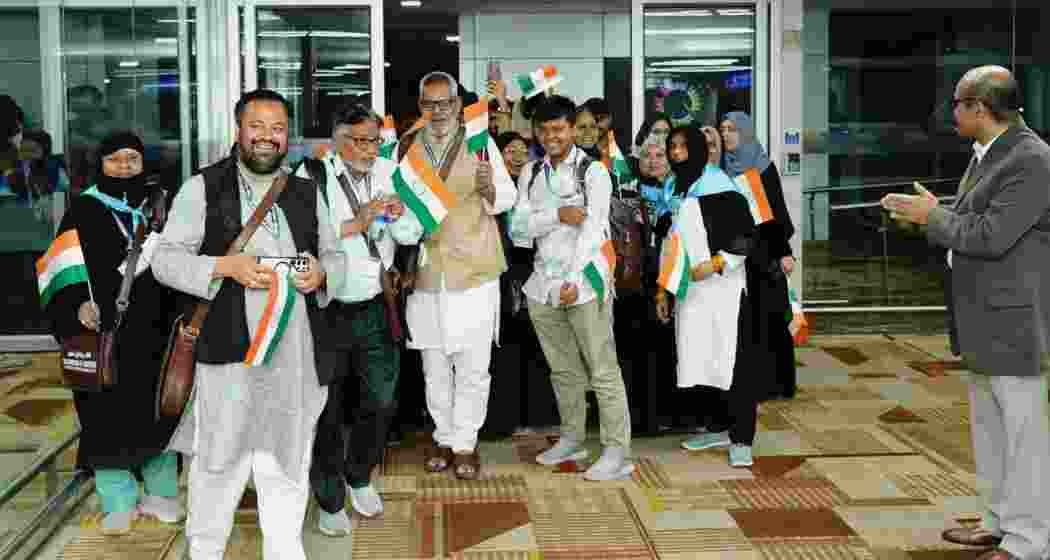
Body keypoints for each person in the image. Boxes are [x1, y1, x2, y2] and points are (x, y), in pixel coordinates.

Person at [153, 89, 341, 560]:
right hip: (227, 357)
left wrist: (322, 273)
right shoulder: (202, 187)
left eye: (277, 129)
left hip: (293, 357)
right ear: (238, 131)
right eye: (256, 126)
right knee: (219, 462)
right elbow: (166, 260)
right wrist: (223, 267)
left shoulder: (305, 191)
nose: (266, 137)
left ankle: (284, 548)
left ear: (287, 137)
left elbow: (336, 256)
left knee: (288, 461)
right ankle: (205, 550)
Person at [882, 66, 1050, 560]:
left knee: (1024, 438)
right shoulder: (991, 154)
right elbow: (974, 219)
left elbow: (991, 236)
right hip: (983, 316)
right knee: (992, 433)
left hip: (1014, 320)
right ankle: (998, 522)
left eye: (957, 103)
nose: (951, 111)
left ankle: (1030, 542)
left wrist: (930, 216)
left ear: (980, 107)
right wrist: (940, 211)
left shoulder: (1031, 159)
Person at [41, 131, 180, 535]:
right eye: (114, 160)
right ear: (100, 164)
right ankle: (118, 500)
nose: (124, 167)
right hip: (103, 331)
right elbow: (60, 271)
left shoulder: (160, 207)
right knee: (104, 417)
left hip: (156, 332)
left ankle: (161, 495)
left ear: (144, 164)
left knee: (162, 410)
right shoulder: (82, 211)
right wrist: (74, 307)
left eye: (132, 160)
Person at [294, 103, 422, 537]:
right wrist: (359, 221)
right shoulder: (310, 176)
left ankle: (360, 474)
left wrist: (400, 217)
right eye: (359, 140)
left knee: (382, 399)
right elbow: (302, 237)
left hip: (375, 302)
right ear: (337, 140)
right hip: (325, 307)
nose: (369, 149)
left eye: (374, 140)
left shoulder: (391, 171)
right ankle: (329, 497)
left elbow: (411, 235)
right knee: (326, 409)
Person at [401, 71, 517, 480]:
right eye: (429, 104)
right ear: (420, 107)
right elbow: (400, 210)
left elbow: (508, 198)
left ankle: (466, 442)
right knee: (434, 364)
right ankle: (443, 435)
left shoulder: (479, 142)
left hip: (476, 269)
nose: (438, 111)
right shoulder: (407, 149)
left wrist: (489, 189)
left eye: (445, 103)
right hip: (430, 273)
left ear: (456, 104)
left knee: (472, 365)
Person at [511, 95, 633, 481]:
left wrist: (573, 280)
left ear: (572, 130)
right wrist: (558, 216)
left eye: (559, 129)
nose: (552, 137)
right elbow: (518, 230)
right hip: (542, 284)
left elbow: (593, 231)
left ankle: (617, 450)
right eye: (545, 130)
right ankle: (572, 436)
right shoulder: (530, 172)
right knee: (562, 369)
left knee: (602, 368)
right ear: (537, 132)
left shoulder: (593, 172)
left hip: (584, 282)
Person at [665, 125, 762, 467]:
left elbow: (747, 236)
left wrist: (719, 263)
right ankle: (720, 426)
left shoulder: (721, 187)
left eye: (682, 147)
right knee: (703, 359)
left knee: (734, 361)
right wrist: (667, 288)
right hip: (692, 294)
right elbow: (672, 245)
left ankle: (742, 439)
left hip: (725, 290)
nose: (676, 153)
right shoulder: (677, 187)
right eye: (672, 147)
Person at [721, 111, 797, 401]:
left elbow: (776, 210)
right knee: (748, 320)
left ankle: (780, 383)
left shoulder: (762, 166)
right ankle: (755, 381)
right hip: (741, 253)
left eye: (732, 130)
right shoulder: (722, 168)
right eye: (723, 129)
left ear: (745, 132)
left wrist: (784, 252)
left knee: (773, 317)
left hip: (766, 250)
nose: (727, 134)